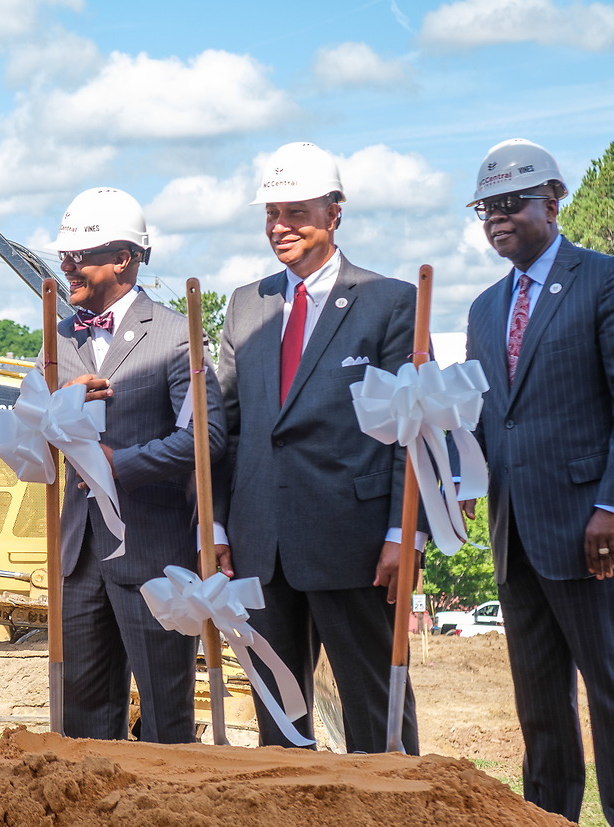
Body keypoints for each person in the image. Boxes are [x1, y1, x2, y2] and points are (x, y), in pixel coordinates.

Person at [463, 138, 614, 827]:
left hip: (594, 532)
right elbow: (487, 414)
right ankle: (547, 817)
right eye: (485, 209)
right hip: (516, 533)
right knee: (541, 706)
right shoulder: (485, 308)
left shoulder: (605, 279)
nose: (497, 218)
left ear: (552, 202)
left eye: (510, 204)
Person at [212, 142, 420, 753]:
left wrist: (400, 534)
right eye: (271, 213)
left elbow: (408, 431)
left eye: (295, 212)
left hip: (353, 542)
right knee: (277, 723)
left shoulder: (390, 302)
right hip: (258, 542)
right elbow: (224, 427)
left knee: (375, 719)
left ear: (334, 212)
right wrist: (218, 526)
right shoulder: (246, 304)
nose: (280, 227)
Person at [48, 187, 226, 743]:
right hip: (78, 556)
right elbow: (35, 432)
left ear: (123, 258)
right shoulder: (58, 339)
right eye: (65, 255)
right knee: (81, 727)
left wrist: (118, 465)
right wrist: (56, 408)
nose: (66, 265)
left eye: (79, 255)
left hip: (153, 550)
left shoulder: (176, 336)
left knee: (164, 721)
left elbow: (205, 437)